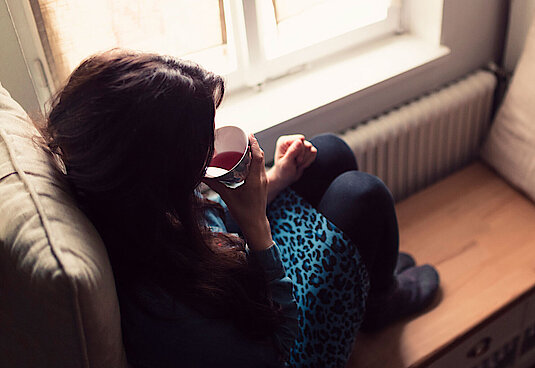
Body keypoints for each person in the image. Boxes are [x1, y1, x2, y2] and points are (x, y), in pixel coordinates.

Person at [39, 49, 440, 368]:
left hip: (232, 268)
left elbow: (206, 226)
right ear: (161, 170)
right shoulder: (162, 311)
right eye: (198, 144)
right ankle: (379, 301)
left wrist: (277, 178)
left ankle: (370, 279)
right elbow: (275, 349)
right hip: (280, 332)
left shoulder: (129, 202)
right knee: (362, 194)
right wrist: (256, 224)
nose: (208, 147)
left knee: (329, 152)